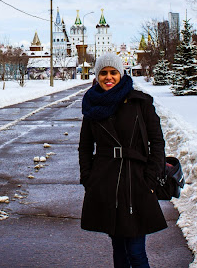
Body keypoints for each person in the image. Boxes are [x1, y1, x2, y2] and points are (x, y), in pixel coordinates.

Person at [78, 53, 167, 267]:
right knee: (118, 249)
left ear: (121, 74)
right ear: (97, 75)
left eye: (113, 72)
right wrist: (88, 179)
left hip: (136, 182)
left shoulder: (140, 103)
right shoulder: (92, 106)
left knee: (135, 251)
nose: (108, 77)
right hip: (106, 182)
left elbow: (157, 143)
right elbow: (85, 146)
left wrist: (150, 179)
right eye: (103, 73)